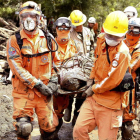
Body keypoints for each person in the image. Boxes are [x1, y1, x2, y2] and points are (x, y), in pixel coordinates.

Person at [73, 11, 131, 140]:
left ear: (124, 35)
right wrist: (90, 79)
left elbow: (112, 80)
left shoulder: (122, 53)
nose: (112, 39)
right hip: (94, 98)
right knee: (79, 130)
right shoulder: (101, 39)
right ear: (104, 30)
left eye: (117, 37)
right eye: (110, 35)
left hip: (111, 103)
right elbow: (96, 60)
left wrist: (92, 89)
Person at [6, 1, 60, 140]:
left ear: (39, 18)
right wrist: (37, 84)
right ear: (20, 18)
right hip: (24, 93)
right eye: (25, 16)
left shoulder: (48, 39)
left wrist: (54, 80)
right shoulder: (14, 41)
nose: (28, 19)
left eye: (32, 15)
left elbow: (56, 63)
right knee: (23, 129)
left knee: (49, 129)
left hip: (44, 94)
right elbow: (16, 67)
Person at [64, 10, 92, 126]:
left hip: (85, 68)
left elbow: (91, 47)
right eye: (75, 25)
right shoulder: (68, 34)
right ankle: (68, 107)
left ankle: (77, 115)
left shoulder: (87, 32)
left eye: (79, 24)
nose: (77, 26)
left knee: (83, 92)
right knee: (70, 90)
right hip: (72, 67)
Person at [52, 17, 77, 137]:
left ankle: (55, 132)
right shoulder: (50, 44)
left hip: (68, 84)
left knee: (60, 111)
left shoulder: (73, 44)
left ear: (70, 29)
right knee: (52, 113)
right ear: (56, 29)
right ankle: (50, 134)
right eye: (60, 28)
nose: (63, 30)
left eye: (66, 28)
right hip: (53, 83)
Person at [122, 17, 140, 140]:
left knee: (128, 117)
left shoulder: (139, 49)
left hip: (131, 86)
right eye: (129, 30)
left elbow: (131, 68)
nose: (131, 33)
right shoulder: (121, 43)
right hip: (115, 84)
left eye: (136, 31)